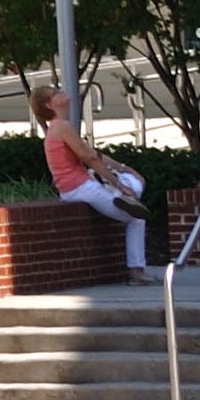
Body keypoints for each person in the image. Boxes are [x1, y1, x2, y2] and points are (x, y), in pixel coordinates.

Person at [38, 82, 153, 278]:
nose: (61, 92)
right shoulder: (62, 126)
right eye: (55, 93)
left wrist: (124, 169)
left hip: (74, 187)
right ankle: (137, 272)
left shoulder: (58, 128)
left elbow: (94, 155)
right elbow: (89, 158)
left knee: (131, 203)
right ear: (49, 105)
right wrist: (120, 184)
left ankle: (123, 196)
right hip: (80, 187)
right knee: (136, 217)